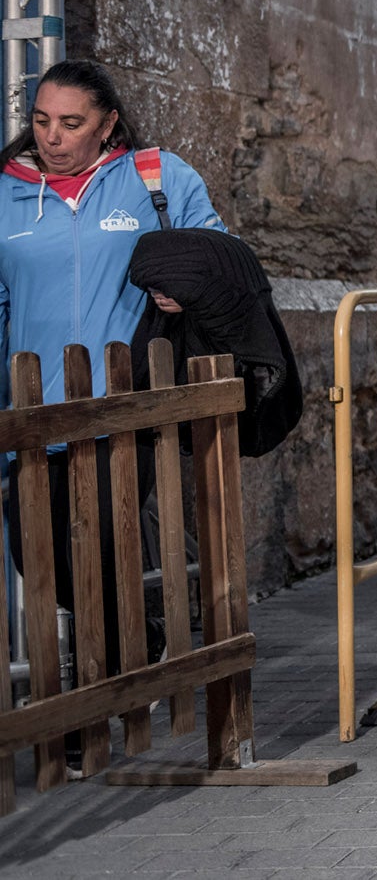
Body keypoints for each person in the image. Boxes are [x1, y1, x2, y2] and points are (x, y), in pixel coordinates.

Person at [0, 60, 229, 711]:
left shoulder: (153, 178)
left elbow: (220, 258)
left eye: (72, 123)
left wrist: (187, 288)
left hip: (120, 410)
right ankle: (140, 640)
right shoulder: (6, 191)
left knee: (93, 540)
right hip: (32, 414)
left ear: (108, 125)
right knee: (36, 559)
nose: (53, 136)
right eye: (42, 121)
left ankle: (90, 707)